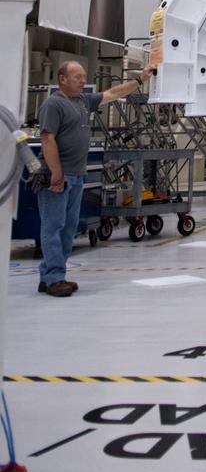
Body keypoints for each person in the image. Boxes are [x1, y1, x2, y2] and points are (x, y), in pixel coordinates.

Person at [37, 60, 153, 296]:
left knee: (68, 228)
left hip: (76, 176)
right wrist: (57, 174)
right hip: (57, 176)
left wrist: (140, 79)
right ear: (62, 79)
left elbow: (112, 93)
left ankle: (51, 275)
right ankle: (54, 278)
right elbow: (47, 139)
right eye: (77, 76)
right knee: (54, 226)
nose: (83, 81)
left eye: (83, 76)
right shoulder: (54, 104)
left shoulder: (82, 101)